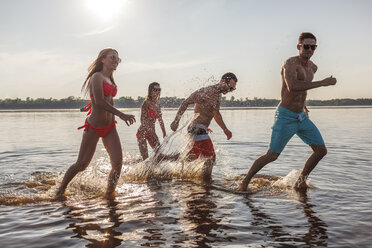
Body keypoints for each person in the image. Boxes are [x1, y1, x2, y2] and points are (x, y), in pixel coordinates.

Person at [238, 32, 337, 191]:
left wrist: (303, 105)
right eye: (306, 46)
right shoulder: (290, 64)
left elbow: (302, 91)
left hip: (301, 117)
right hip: (285, 115)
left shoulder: (313, 67)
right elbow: (292, 86)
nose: (310, 49)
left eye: (313, 47)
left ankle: (301, 181)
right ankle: (244, 182)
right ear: (299, 47)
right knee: (272, 155)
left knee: (321, 151)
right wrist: (323, 83)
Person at [55, 48, 136, 200]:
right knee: (81, 165)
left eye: (118, 59)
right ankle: (60, 190)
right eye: (113, 57)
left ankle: (109, 195)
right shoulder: (96, 76)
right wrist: (121, 114)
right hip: (94, 127)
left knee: (117, 165)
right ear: (102, 59)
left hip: (110, 127)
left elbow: (103, 99)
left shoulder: (111, 79)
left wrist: (89, 104)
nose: (116, 61)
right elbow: (99, 101)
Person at [170, 72, 238, 181]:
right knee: (210, 158)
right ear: (222, 81)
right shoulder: (206, 92)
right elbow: (185, 102)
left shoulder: (218, 96)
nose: (229, 91)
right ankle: (206, 183)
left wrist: (225, 129)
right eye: (230, 87)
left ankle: (163, 162)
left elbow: (216, 114)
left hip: (201, 130)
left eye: (232, 89)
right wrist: (176, 121)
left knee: (189, 158)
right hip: (196, 129)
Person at [136, 82, 166, 160]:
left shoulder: (158, 104)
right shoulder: (146, 103)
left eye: (159, 90)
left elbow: (160, 120)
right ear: (150, 91)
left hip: (152, 132)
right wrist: (149, 130)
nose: (157, 92)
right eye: (155, 90)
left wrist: (164, 133)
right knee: (145, 159)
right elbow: (142, 120)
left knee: (159, 155)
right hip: (142, 132)